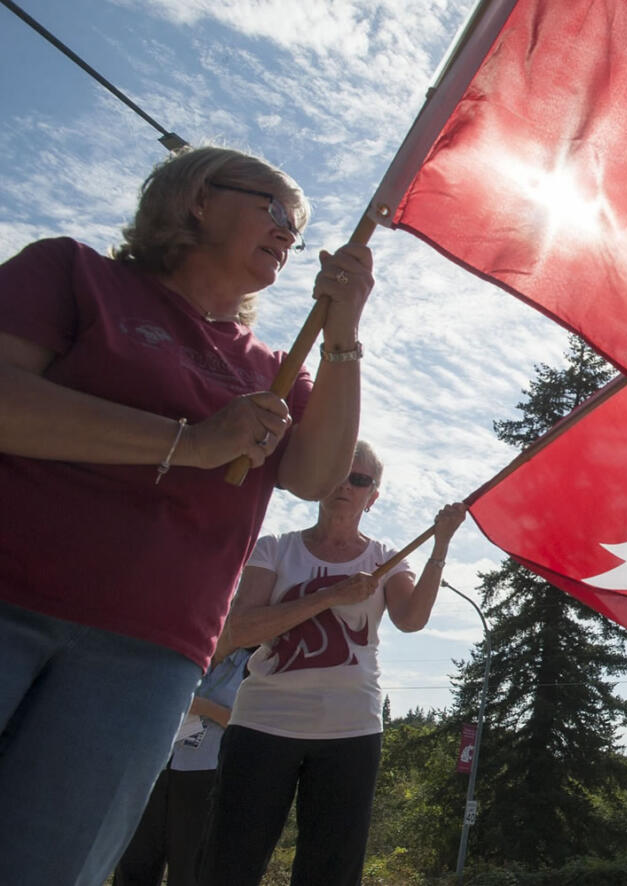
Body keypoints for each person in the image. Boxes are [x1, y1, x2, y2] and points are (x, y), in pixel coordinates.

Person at [0, 145, 373, 885]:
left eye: (296, 230)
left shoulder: (277, 368)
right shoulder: (73, 274)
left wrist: (342, 331)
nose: (287, 235)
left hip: (148, 655)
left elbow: (313, 473)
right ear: (197, 198)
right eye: (272, 209)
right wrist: (193, 444)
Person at [197, 442, 466, 886]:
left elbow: (412, 619)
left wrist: (441, 545)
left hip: (351, 730)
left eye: (359, 480)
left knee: (331, 872)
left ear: (372, 496)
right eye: (339, 473)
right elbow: (241, 631)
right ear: (321, 482)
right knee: (229, 862)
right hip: (264, 722)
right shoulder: (275, 549)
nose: (346, 485)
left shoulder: (385, 558)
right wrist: (330, 596)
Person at [112, 647, 254, 886]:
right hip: (156, 766)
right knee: (135, 861)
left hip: (206, 775)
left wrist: (204, 708)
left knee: (190, 868)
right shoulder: (185, 654)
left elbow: (253, 726)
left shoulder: (252, 665)